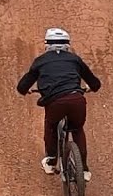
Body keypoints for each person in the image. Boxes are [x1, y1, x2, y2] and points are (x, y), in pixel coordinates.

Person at [15, 27, 102, 182]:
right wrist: (90, 87)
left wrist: (27, 90)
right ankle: (84, 170)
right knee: (77, 129)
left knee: (51, 126)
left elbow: (21, 87)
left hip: (55, 102)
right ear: (67, 44)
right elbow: (95, 83)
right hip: (77, 99)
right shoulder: (74, 59)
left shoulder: (40, 61)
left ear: (47, 44)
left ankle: (52, 160)